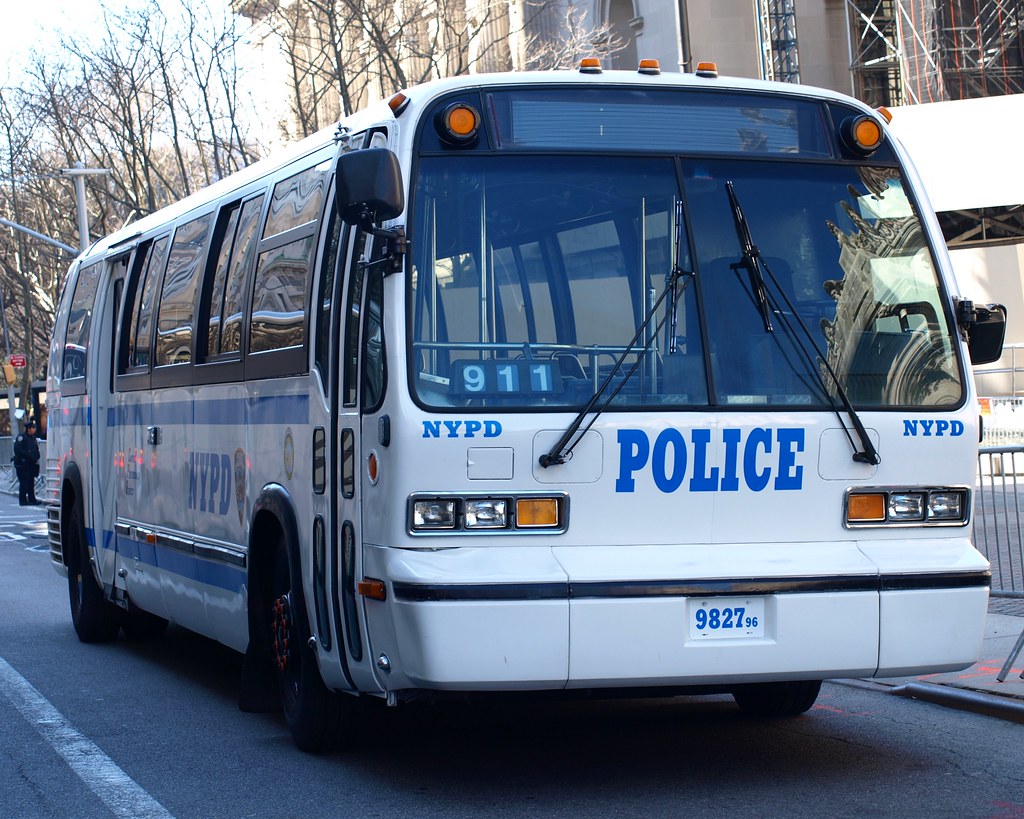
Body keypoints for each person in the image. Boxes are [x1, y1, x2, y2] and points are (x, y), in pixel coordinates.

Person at [13, 418, 41, 506]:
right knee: (24, 482)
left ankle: (32, 499)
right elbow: (18, 449)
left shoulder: (33, 438)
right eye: (33, 428)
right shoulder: (22, 437)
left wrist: (36, 456)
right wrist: (28, 456)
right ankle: (23, 500)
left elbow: (35, 449)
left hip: (31, 463)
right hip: (23, 463)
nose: (34, 429)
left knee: (31, 481)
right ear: (28, 429)